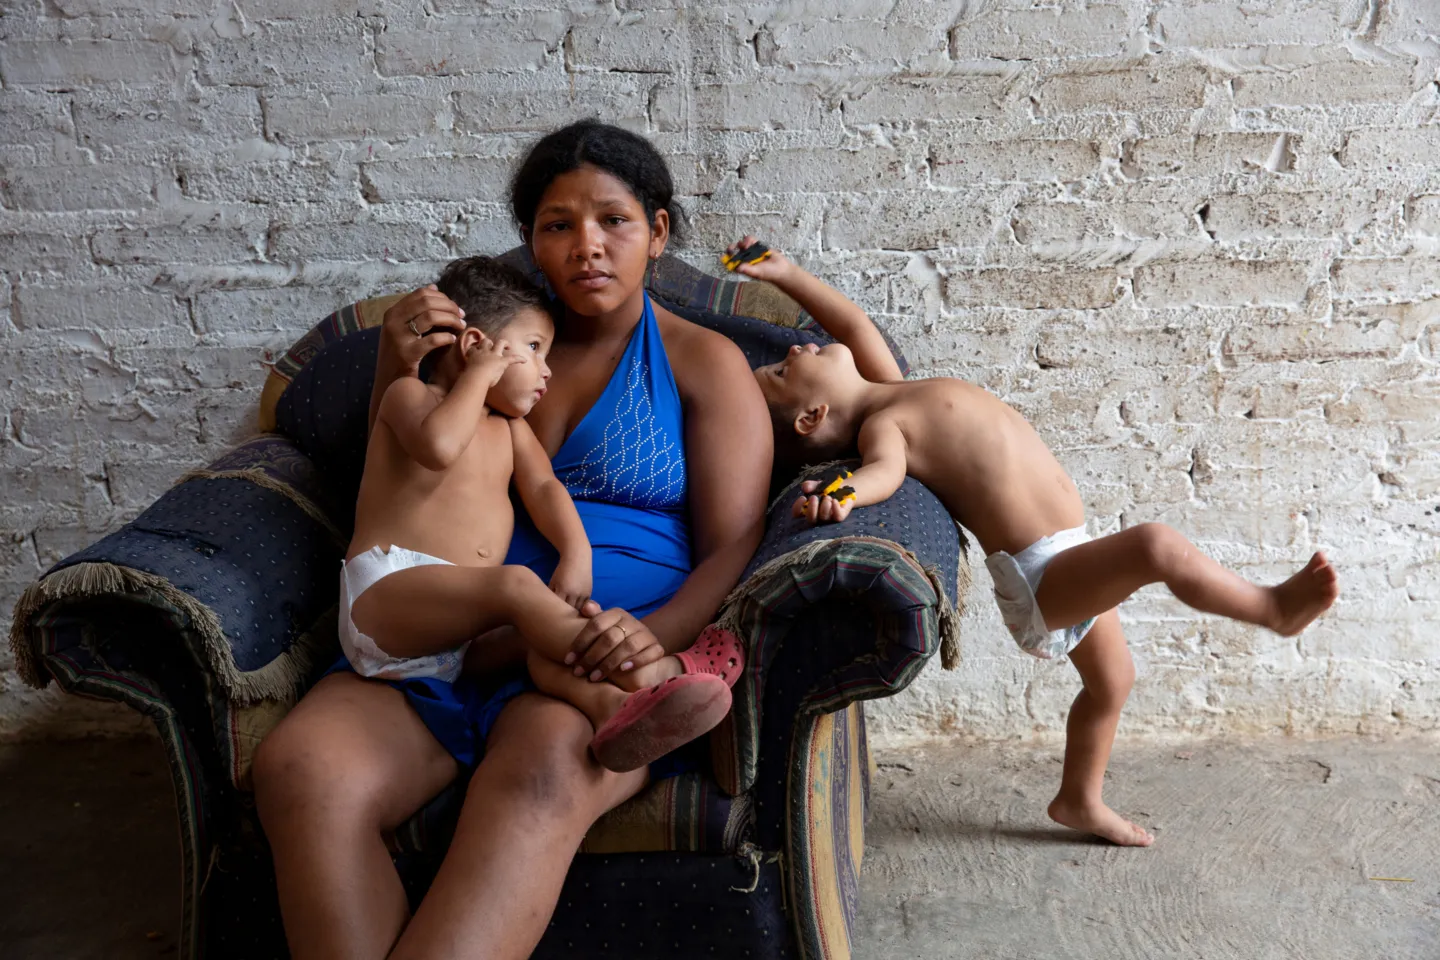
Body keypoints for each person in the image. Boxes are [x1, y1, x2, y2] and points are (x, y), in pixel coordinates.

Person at [252, 120, 770, 960]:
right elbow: (401, 473)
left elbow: (735, 545)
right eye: (558, 225)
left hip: (587, 665)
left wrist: (646, 639)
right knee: (302, 769)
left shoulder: (703, 363)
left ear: (658, 231)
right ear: (530, 240)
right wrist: (396, 361)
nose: (587, 245)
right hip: (446, 638)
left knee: (540, 772)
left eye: (614, 221)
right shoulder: (490, 350)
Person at [734, 234, 1341, 847]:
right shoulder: (884, 426)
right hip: (1043, 575)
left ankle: (1079, 799)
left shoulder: (888, 386)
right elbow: (883, 474)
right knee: (1155, 546)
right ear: (812, 416)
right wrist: (844, 494)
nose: (794, 346)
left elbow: (851, 322)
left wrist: (786, 273)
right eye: (785, 370)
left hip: (1070, 551)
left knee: (1112, 683)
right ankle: (1271, 609)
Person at [340, 255, 738, 773]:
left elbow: (546, 488)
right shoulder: (409, 395)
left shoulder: (509, 428)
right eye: (533, 349)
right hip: (385, 595)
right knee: (517, 586)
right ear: (474, 344)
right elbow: (439, 447)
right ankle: (646, 673)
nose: (547, 369)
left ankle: (613, 710)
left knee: (536, 645)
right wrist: (480, 375)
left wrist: (576, 552)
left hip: (455, 638)